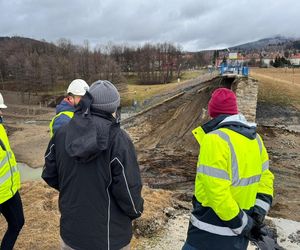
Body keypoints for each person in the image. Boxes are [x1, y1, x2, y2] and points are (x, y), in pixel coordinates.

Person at [42, 80, 144, 250]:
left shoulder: (62, 133)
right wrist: (136, 211)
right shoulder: (119, 139)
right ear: (114, 108)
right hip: (109, 238)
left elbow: (49, 174)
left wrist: (74, 191)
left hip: (71, 233)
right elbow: (129, 191)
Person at [182, 88, 274, 250]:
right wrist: (256, 216)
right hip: (240, 234)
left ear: (212, 112)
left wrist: (242, 224)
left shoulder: (215, 139)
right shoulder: (256, 139)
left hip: (209, 232)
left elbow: (217, 192)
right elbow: (265, 179)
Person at [0, 93, 25, 250]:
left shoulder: (1, 129)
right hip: (2, 192)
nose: (1, 113)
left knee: (17, 222)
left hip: (9, 190)